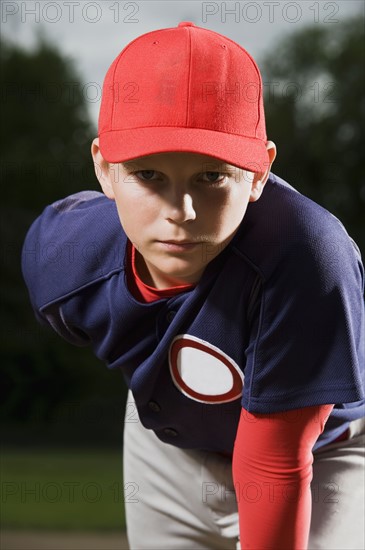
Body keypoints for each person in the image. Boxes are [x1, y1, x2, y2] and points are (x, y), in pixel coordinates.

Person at [22, 22, 364, 550]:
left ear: (258, 174)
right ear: (104, 169)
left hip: (325, 452)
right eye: (148, 175)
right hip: (168, 443)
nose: (181, 213)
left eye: (211, 176)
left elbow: (274, 461)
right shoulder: (62, 257)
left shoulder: (307, 256)